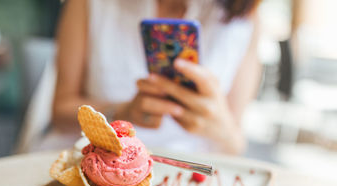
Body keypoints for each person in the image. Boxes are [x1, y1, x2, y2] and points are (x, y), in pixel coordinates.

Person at [50, 0, 262, 154]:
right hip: (93, 155)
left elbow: (235, 144)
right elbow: (60, 114)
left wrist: (219, 125)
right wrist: (122, 113)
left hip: (187, 174)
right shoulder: (89, 4)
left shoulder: (246, 18)